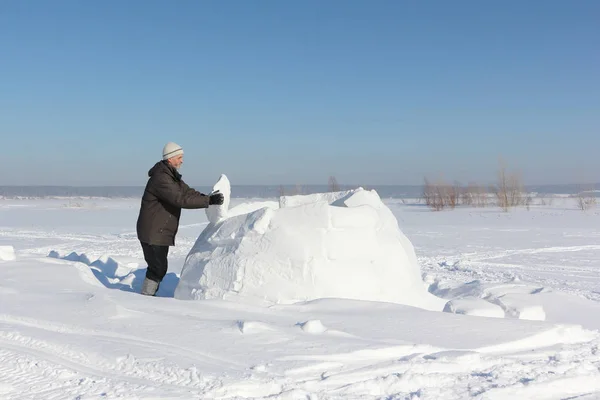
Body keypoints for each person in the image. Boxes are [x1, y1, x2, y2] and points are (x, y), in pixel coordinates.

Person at [136, 142, 224, 296]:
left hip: (159, 231)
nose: (182, 160)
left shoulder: (171, 176)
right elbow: (180, 200)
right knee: (158, 268)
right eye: (179, 157)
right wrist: (208, 202)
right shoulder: (161, 179)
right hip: (152, 231)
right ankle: (146, 297)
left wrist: (207, 198)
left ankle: (148, 295)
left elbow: (187, 192)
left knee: (159, 267)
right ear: (170, 158)